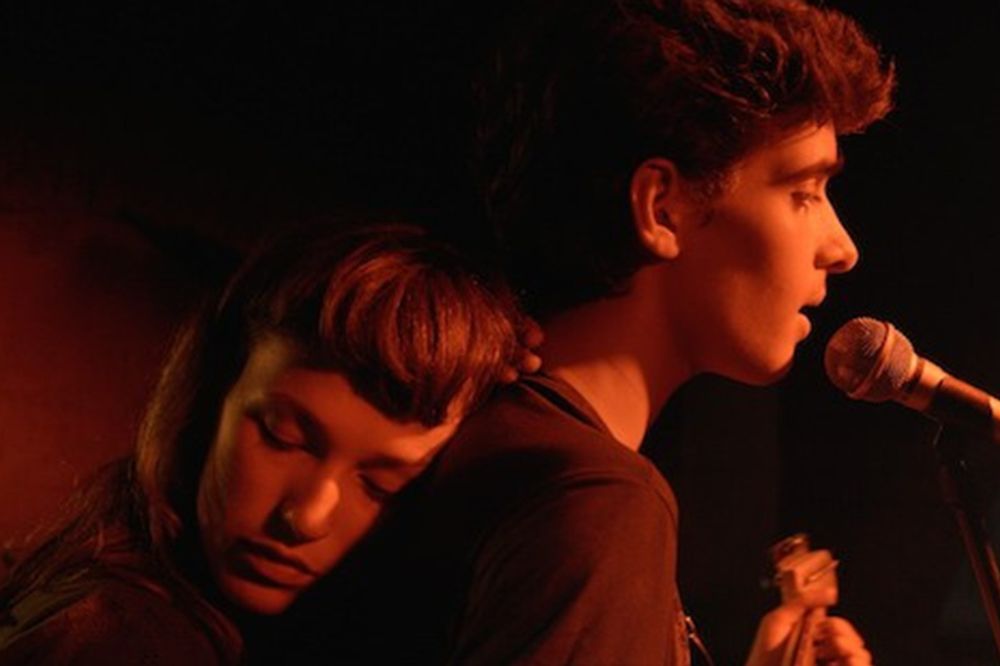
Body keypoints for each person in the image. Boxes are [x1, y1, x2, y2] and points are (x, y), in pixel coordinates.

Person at [262, 1, 894, 664]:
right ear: (662, 207)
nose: (842, 248)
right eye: (803, 192)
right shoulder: (597, 499)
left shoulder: (486, 440)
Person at [0, 224, 527, 664]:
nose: (308, 517)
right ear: (211, 395)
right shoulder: (126, 641)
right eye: (282, 437)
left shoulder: (114, 579)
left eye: (382, 485)